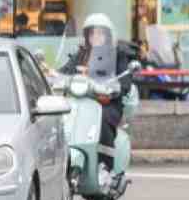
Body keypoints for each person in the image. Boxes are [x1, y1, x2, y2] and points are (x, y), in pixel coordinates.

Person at [60, 12, 139, 163]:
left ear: (107, 35)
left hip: (106, 102)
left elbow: (125, 80)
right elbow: (64, 71)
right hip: (80, 101)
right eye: (92, 33)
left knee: (102, 119)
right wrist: (50, 74)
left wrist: (116, 88)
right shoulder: (82, 53)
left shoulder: (118, 54)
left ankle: (105, 165)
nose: (95, 37)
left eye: (100, 33)